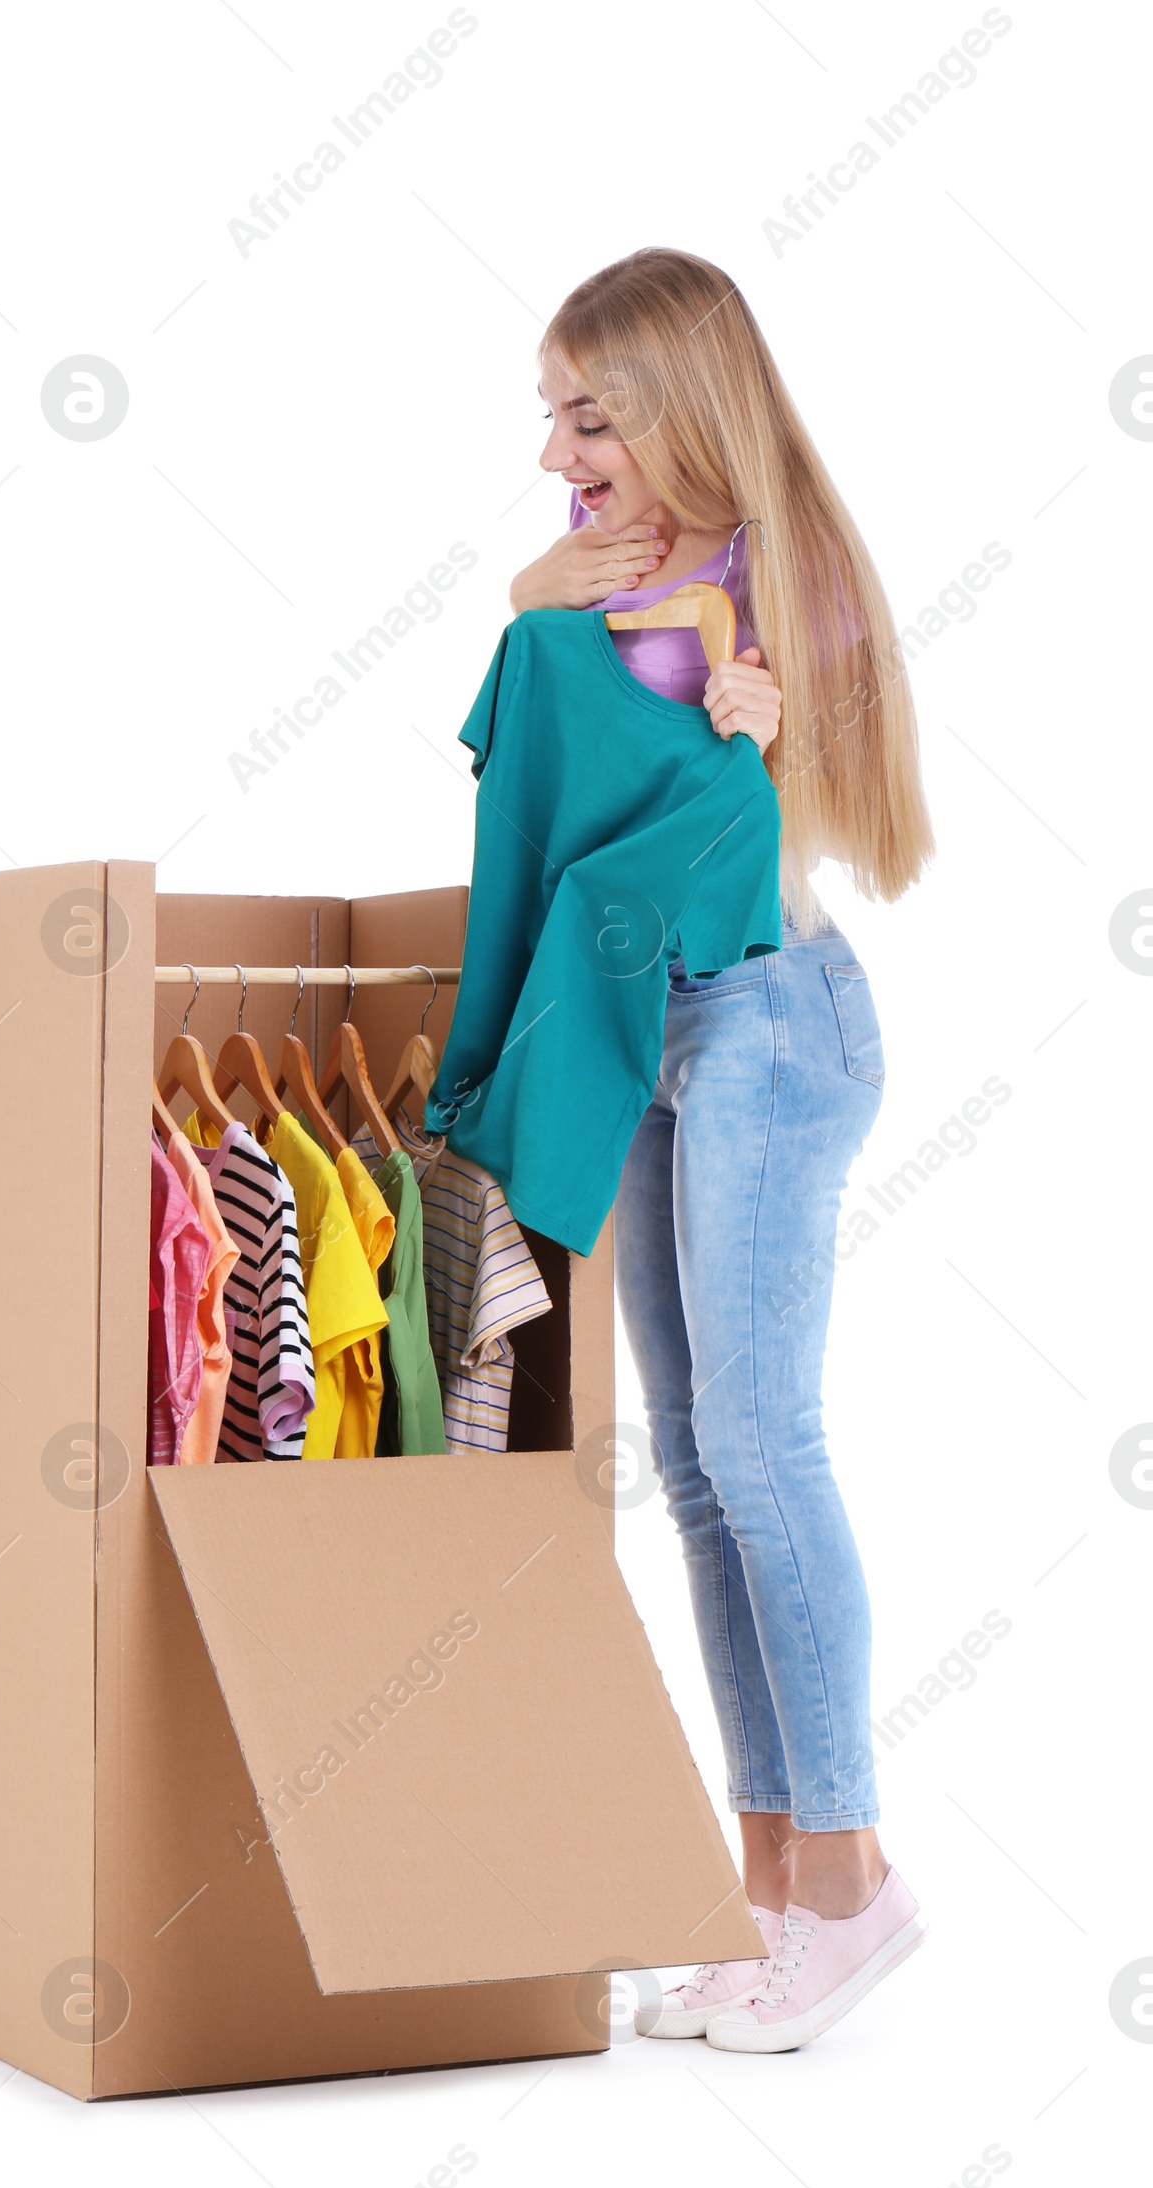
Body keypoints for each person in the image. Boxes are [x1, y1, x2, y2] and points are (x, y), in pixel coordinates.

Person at [511, 248, 935, 2053]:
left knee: (763, 1448)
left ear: (682, 403)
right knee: (688, 1465)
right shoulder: (589, 579)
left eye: (591, 414)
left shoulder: (792, 574)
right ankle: (763, 1887)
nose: (557, 451)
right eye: (550, 413)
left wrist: (772, 727)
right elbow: (538, 803)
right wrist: (534, 607)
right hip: (642, 1027)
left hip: (772, 1020)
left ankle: (851, 1882)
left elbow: (837, 814)